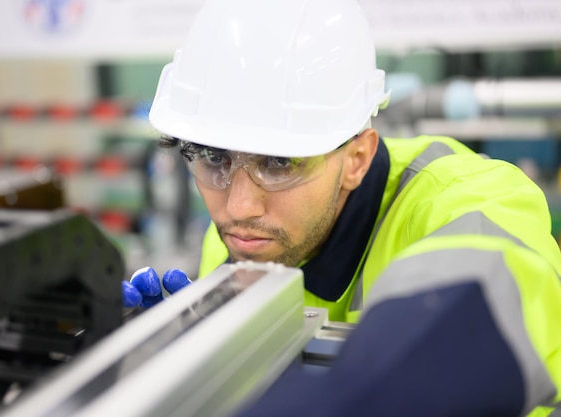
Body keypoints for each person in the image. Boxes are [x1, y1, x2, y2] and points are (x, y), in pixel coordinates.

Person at [123, 0, 561, 415]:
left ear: (357, 159)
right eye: (214, 158)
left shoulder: (471, 200)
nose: (238, 207)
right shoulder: (237, 243)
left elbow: (463, 323)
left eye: (279, 163)